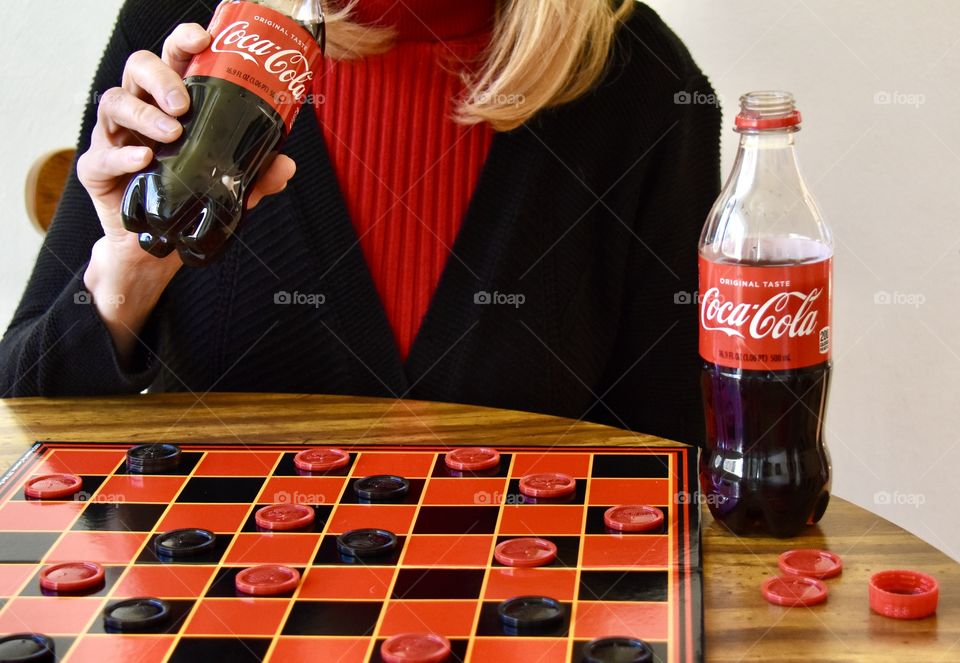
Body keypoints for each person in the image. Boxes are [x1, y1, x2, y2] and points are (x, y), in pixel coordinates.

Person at [0, 0, 720, 446]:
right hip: (211, 616)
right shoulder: (189, 26)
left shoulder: (642, 81)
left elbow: (672, 475)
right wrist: (127, 279)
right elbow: (26, 422)